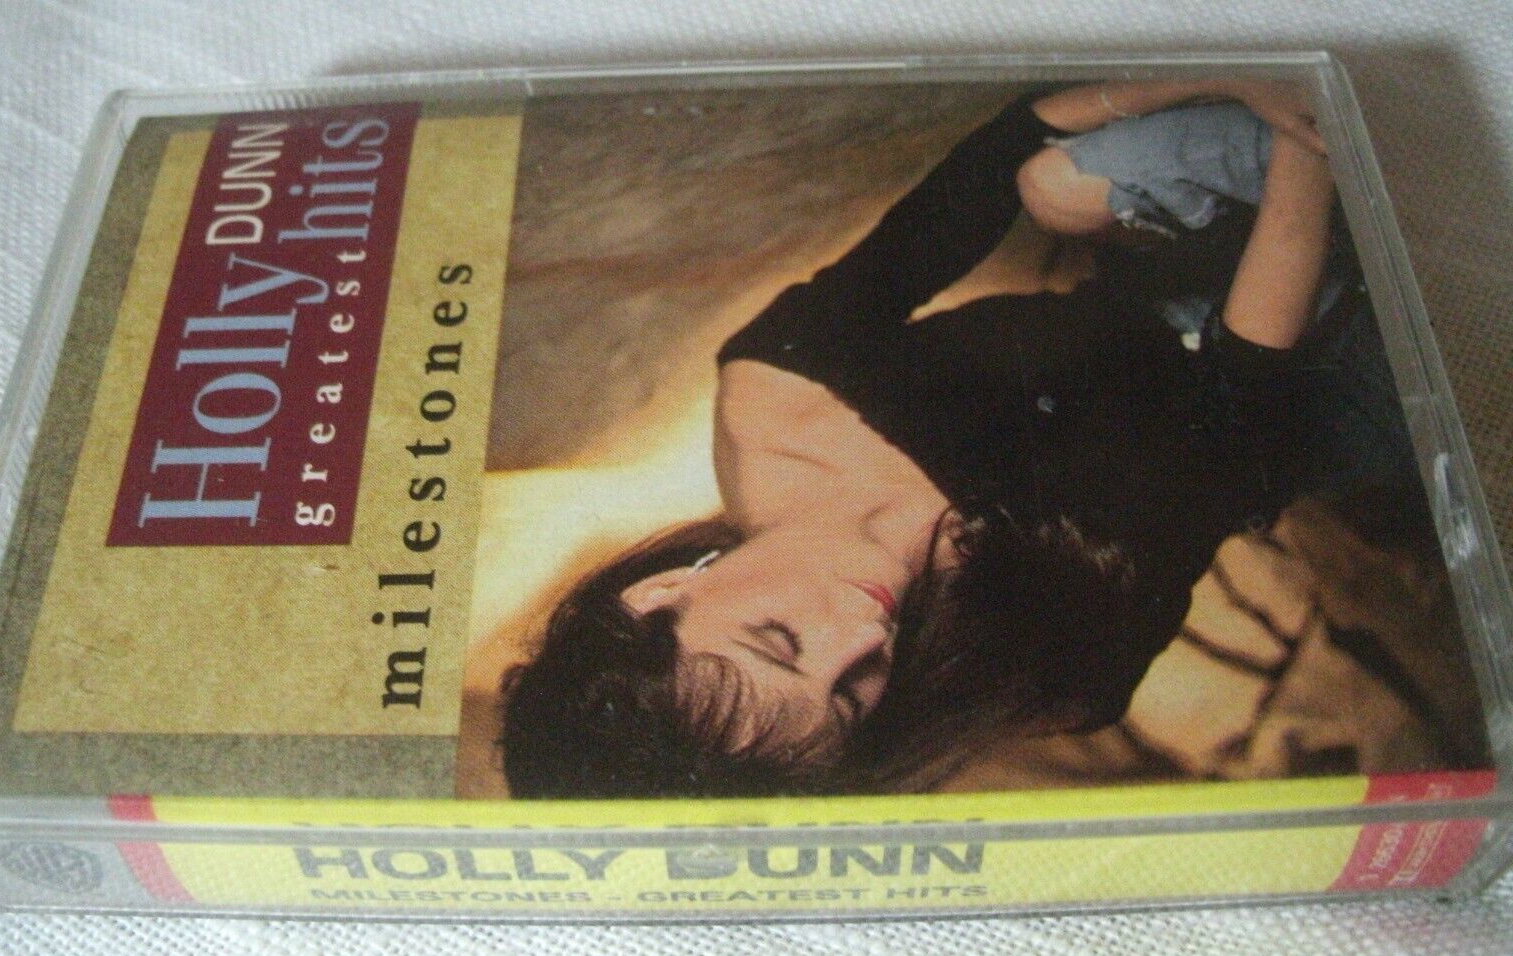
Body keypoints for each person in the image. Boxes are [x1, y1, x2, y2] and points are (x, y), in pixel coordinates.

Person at [499, 80, 1378, 798]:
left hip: (1186, 273)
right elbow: (1246, 400)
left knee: (1058, 182)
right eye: (849, 698)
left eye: (779, 638)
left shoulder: (778, 399)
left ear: (661, 592)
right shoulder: (1018, 681)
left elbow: (981, 177)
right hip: (1312, 384)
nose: (863, 636)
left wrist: (1239, 81)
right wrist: (1304, 151)